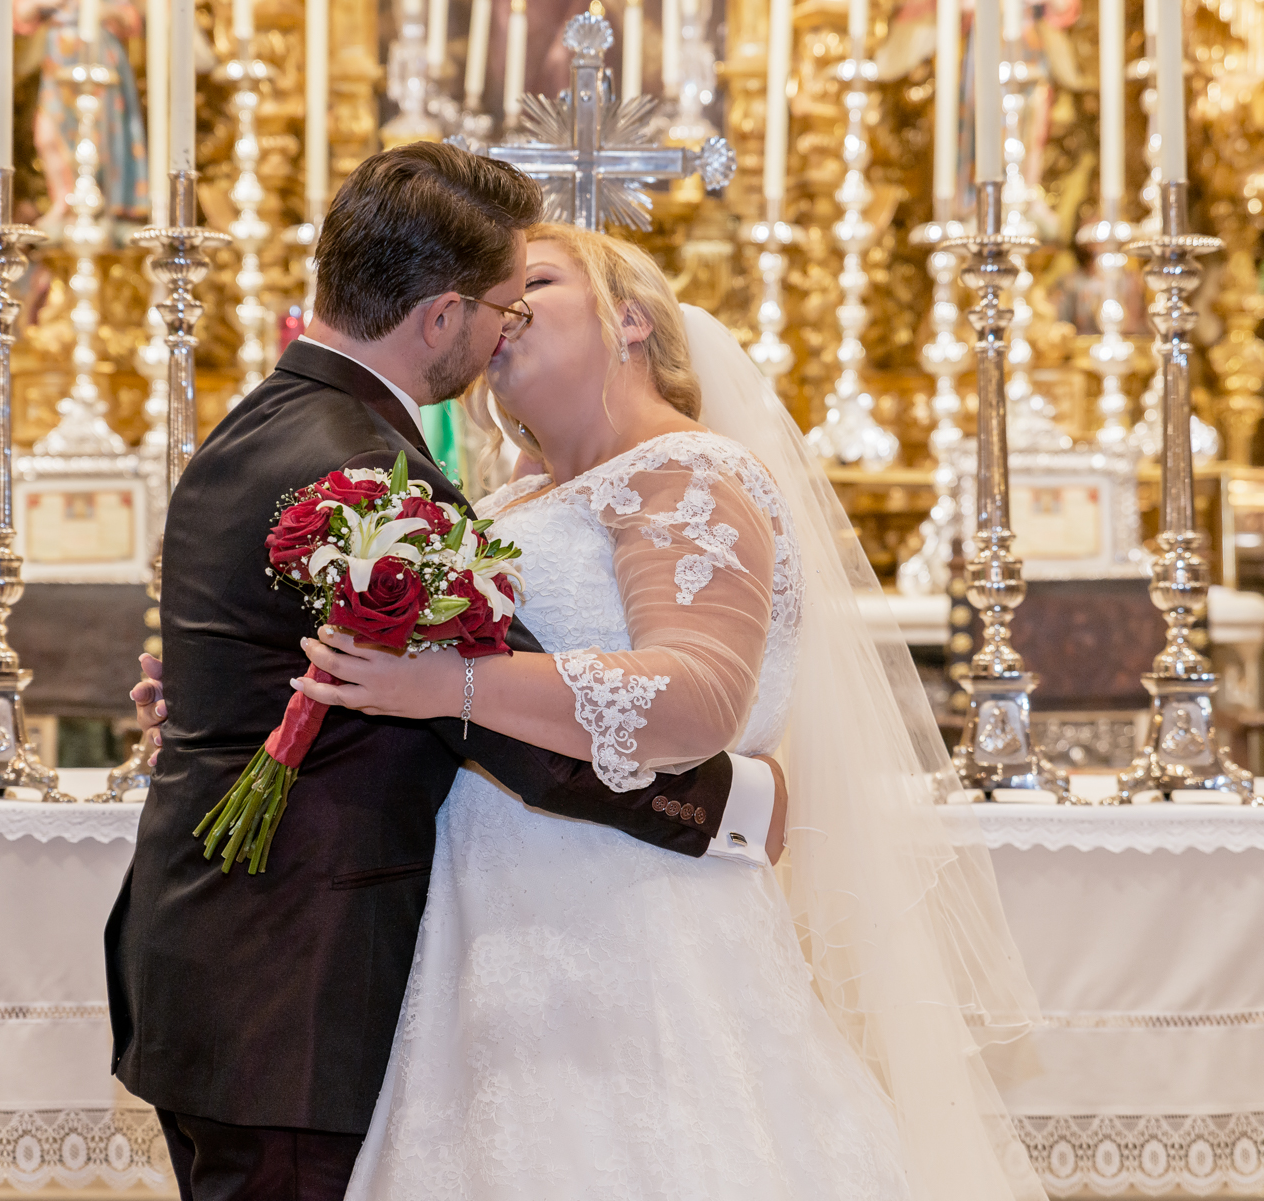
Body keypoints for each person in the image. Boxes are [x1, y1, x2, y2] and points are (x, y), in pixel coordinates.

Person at [134, 220, 1049, 1201]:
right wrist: (264, 697)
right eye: (494, 292)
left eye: (532, 279)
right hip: (484, 939)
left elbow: (694, 699)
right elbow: (433, 699)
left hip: (632, 934)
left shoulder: (689, 473)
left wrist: (450, 685)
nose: (504, 305)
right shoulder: (509, 505)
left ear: (631, 321)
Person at [103, 143, 788, 1201]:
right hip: (300, 976)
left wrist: (220, 692)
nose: (506, 326)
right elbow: (493, 716)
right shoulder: (360, 464)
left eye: (530, 298)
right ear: (438, 318)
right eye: (501, 305)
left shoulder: (273, 422)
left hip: (360, 959)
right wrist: (738, 801)